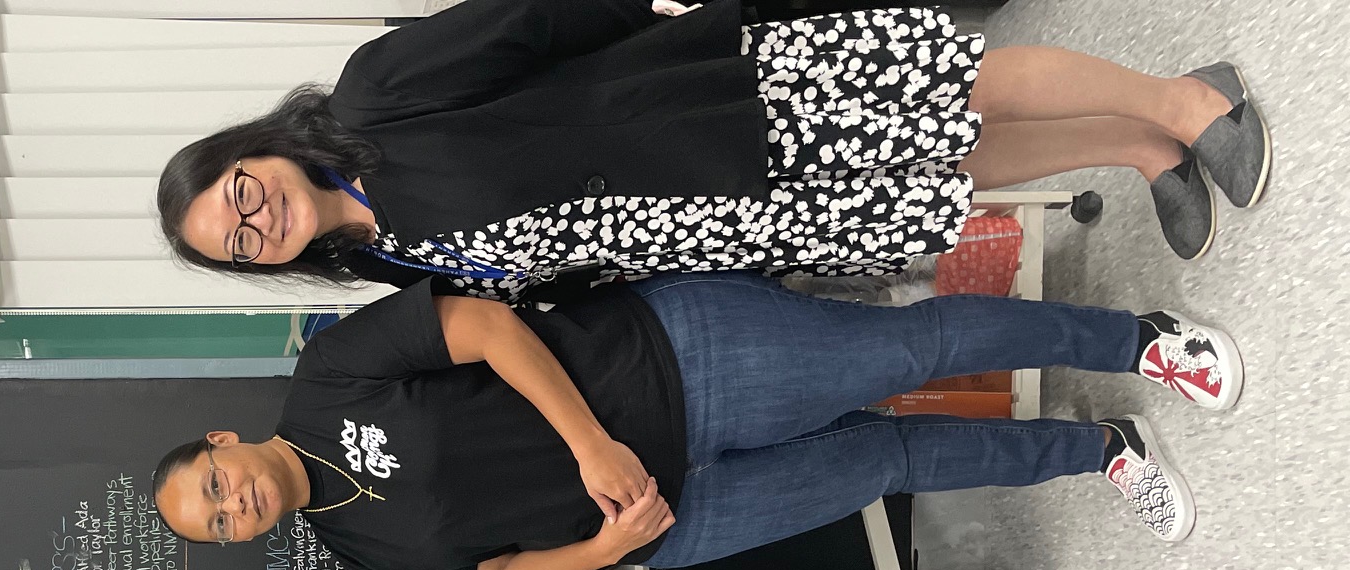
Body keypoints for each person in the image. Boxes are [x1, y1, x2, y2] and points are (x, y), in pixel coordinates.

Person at [150, 277, 1241, 570]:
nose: (228, 506)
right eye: (215, 525)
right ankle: (1103, 452)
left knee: (907, 356)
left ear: (219, 441)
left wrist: (588, 450)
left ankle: (1139, 341)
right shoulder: (357, 558)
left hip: (672, 367)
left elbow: (481, 327)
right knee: (891, 461)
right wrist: (611, 544)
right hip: (675, 522)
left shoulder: (327, 376)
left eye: (210, 485)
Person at [158, 0, 1271, 291]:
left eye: (238, 196)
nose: (256, 221)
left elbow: (530, 25)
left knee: (951, 80)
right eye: (238, 243)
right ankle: (1138, 153)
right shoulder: (382, 261)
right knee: (947, 169)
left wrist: (669, 29)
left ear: (253, 153)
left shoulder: (371, 97)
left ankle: (1180, 102)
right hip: (721, 213)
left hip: (702, 105)